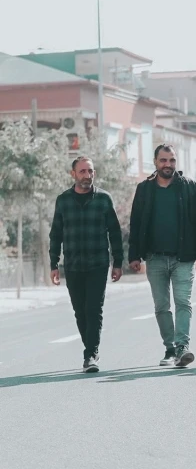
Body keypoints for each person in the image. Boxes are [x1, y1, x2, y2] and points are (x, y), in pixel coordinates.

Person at [129, 144, 196, 368]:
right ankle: (170, 348)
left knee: (183, 302)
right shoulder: (144, 189)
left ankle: (183, 347)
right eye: (164, 160)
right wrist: (134, 255)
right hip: (154, 258)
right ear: (155, 162)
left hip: (184, 257)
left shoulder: (188, 187)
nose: (168, 165)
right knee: (162, 306)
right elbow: (135, 224)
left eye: (172, 160)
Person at [49, 157, 123, 372]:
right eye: (82, 171)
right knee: (79, 311)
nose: (87, 175)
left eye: (90, 171)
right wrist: (54, 263)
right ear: (73, 174)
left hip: (98, 263)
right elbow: (56, 234)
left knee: (93, 309)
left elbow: (115, 232)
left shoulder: (104, 199)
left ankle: (91, 353)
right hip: (72, 265)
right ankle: (89, 347)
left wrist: (117, 262)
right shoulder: (63, 200)